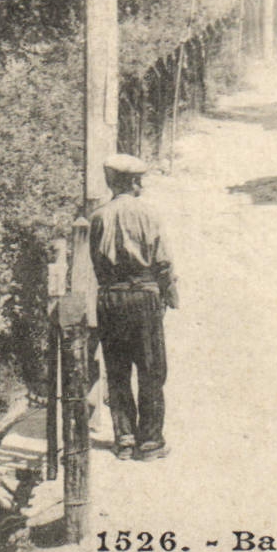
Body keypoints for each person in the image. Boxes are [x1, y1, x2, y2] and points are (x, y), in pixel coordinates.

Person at [89, 153, 178, 460]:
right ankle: (151, 441)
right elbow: (162, 261)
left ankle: (124, 438)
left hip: (111, 298)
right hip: (144, 296)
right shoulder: (148, 215)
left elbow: (96, 264)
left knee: (117, 369)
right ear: (134, 182)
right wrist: (169, 294)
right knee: (151, 369)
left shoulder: (98, 217)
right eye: (139, 180)